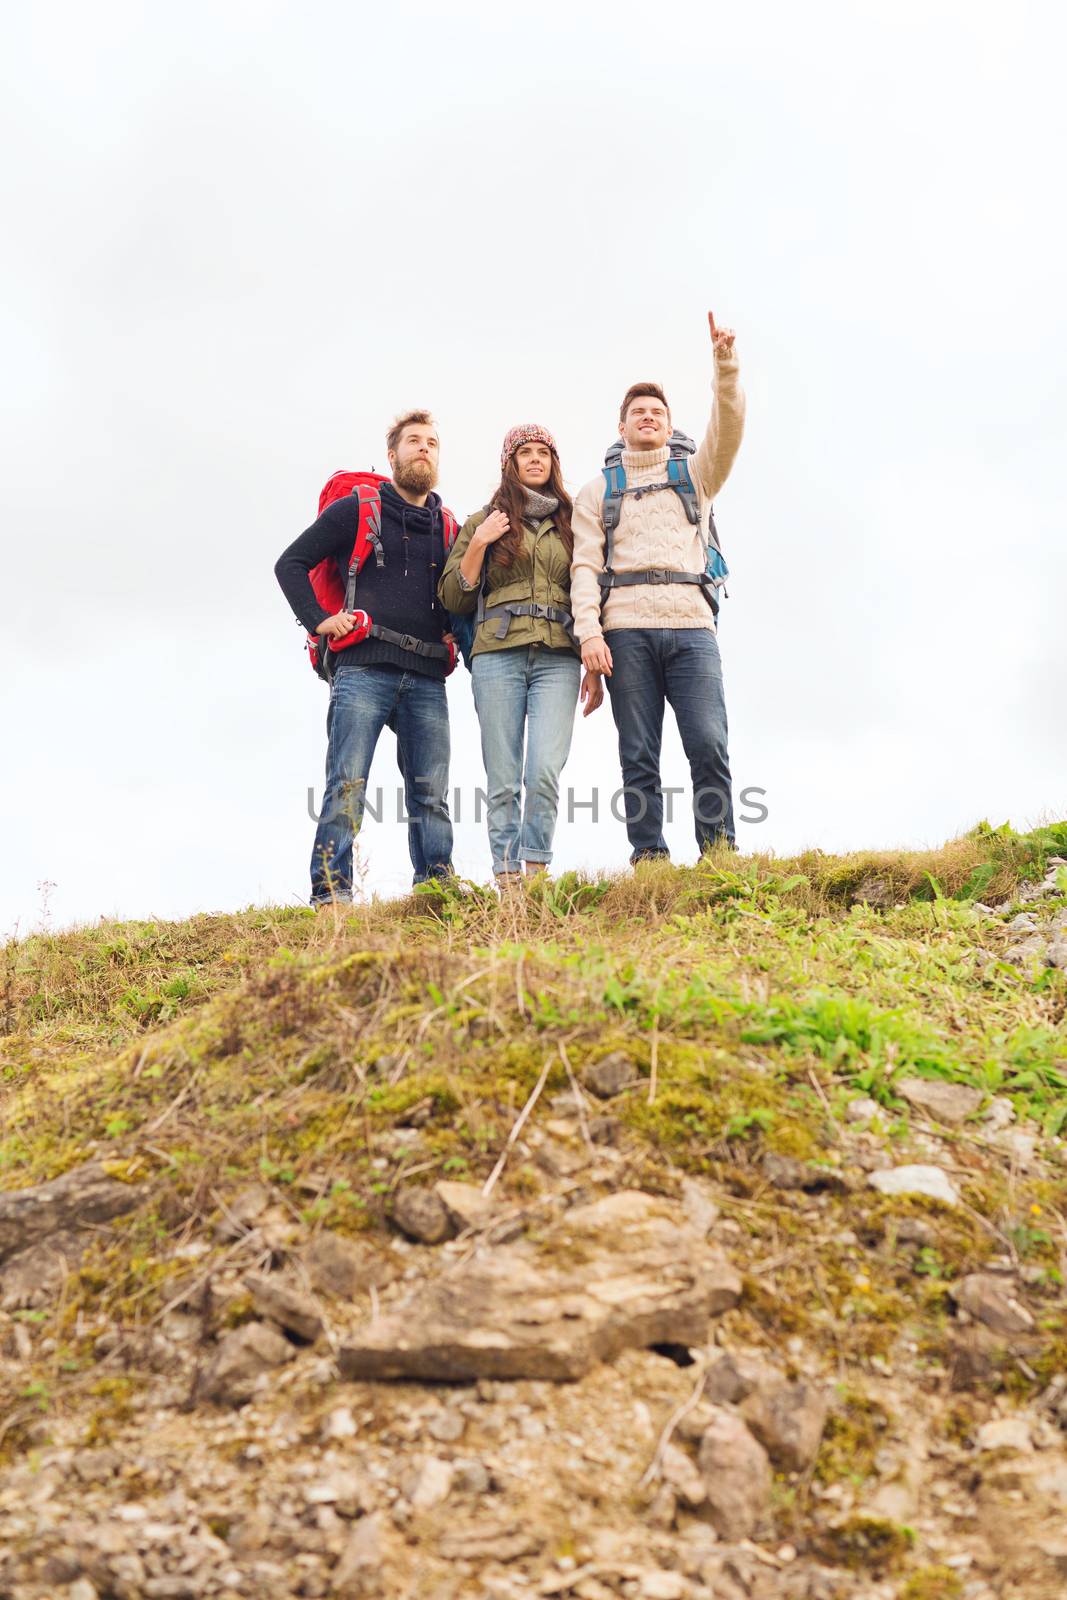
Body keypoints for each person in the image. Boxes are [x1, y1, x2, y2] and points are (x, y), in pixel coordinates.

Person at [570, 312, 745, 864]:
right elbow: (583, 568)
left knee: (709, 745)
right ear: (621, 428)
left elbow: (729, 428)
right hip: (625, 634)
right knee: (638, 753)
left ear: (669, 427)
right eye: (638, 413)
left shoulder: (697, 475)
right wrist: (588, 639)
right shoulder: (597, 491)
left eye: (657, 413)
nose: (648, 419)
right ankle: (650, 858)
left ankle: (719, 856)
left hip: (693, 627)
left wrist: (725, 365)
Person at [275, 410, 456, 903]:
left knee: (431, 795)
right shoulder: (358, 508)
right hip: (362, 669)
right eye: (413, 441)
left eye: (432, 443)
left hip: (426, 676)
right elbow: (290, 564)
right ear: (392, 455)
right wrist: (319, 620)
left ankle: (436, 891)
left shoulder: (448, 525)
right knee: (347, 785)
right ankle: (332, 896)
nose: (424, 448)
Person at [439, 425, 603, 883]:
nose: (535, 460)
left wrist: (594, 668)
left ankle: (535, 870)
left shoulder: (574, 521)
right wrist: (479, 541)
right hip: (497, 657)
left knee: (545, 770)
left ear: (553, 462)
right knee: (504, 776)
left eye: (543, 453)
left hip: (560, 658)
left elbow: (589, 589)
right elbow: (454, 597)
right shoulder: (485, 519)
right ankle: (508, 878)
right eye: (525, 453)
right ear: (509, 463)